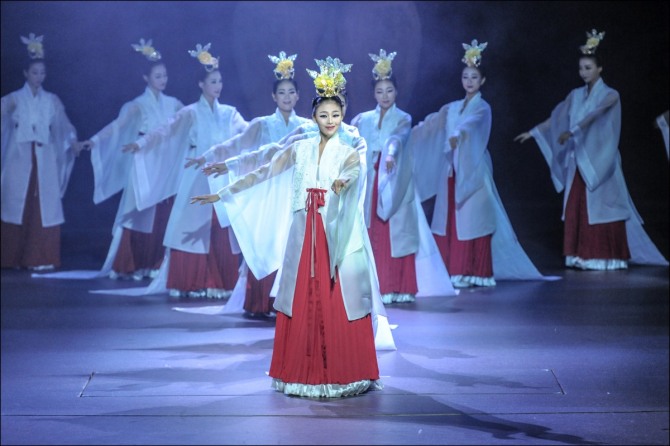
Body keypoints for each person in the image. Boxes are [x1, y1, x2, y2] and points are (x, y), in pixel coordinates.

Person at [191, 59, 385, 397]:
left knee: (337, 297)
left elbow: (357, 169)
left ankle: (343, 370)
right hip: (303, 227)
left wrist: (343, 181)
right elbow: (266, 163)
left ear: (343, 111)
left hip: (334, 227)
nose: (329, 121)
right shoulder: (303, 144)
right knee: (301, 297)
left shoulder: (352, 141)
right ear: (314, 116)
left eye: (335, 114)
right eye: (323, 115)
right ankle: (299, 370)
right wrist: (224, 189)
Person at [514, 30, 668, 270]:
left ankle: (604, 257)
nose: (584, 72)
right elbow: (557, 117)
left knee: (603, 209)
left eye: (588, 68)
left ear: (599, 69)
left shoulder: (610, 95)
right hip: (580, 162)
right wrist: (534, 131)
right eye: (581, 68)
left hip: (601, 162)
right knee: (578, 206)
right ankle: (579, 255)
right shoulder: (575, 95)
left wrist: (573, 131)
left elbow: (593, 116)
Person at [410, 39, 554, 288]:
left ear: (482, 81)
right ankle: (451, 271)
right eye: (466, 76)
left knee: (471, 220)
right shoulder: (452, 107)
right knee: (449, 220)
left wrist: (458, 135)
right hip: (451, 170)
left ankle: (473, 271)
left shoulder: (483, 108)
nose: (469, 81)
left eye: (474, 77)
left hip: (472, 169)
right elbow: (431, 123)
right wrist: (410, 135)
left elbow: (472, 126)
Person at [115, 43, 248, 299]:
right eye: (212, 81)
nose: (218, 86)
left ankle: (220, 282)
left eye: (220, 81)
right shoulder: (190, 113)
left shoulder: (230, 114)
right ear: (201, 84)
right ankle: (188, 281)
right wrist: (141, 143)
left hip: (219, 177)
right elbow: (164, 130)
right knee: (190, 229)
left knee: (220, 228)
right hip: (196, 177)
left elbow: (249, 131)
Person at [185, 51, 310, 318]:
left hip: (295, 191)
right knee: (266, 244)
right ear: (273, 97)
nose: (287, 97)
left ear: (298, 96)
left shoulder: (308, 126)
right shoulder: (261, 124)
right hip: (266, 190)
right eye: (282, 93)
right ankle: (261, 302)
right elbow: (237, 146)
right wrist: (209, 157)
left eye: (291, 92)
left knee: (293, 244)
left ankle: (292, 305)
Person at [351, 49, 456, 303]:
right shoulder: (363, 119)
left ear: (396, 92)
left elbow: (398, 138)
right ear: (373, 93)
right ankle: (375, 286)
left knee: (395, 233)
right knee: (371, 231)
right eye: (379, 91)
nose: (384, 96)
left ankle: (398, 286)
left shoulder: (403, 118)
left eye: (389, 91)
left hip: (394, 179)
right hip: (370, 178)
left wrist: (390, 154)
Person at [80, 39, 184, 280]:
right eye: (158, 76)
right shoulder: (137, 105)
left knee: (161, 214)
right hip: (143, 162)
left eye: (164, 75)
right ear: (146, 78)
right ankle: (129, 263)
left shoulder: (174, 103)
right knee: (137, 211)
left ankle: (155, 263)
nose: (163, 79)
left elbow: (185, 124)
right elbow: (117, 127)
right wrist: (94, 141)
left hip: (164, 162)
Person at [1, 33, 84, 271]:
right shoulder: (14, 99)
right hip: (19, 157)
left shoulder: (52, 100)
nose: (39, 77)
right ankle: (11, 257)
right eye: (34, 72)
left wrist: (72, 141)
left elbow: (63, 126)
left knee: (44, 207)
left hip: (44, 157)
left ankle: (40, 257)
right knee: (16, 204)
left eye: (42, 73)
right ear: (26, 73)